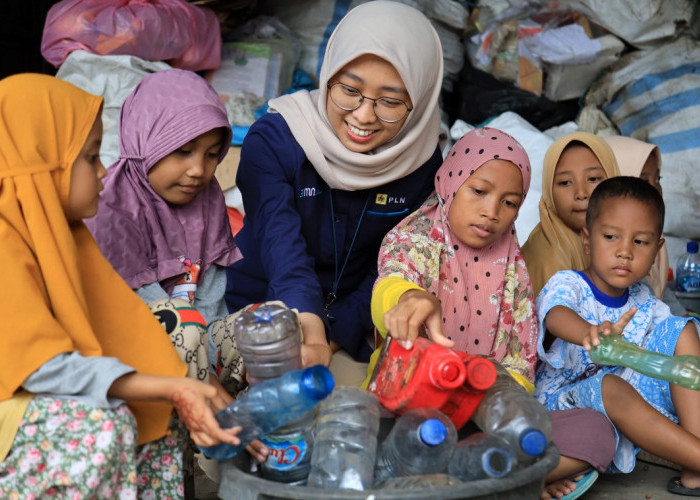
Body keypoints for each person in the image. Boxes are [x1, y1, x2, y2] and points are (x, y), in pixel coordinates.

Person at [0, 73, 243, 498]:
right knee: (107, 424)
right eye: (90, 157)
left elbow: (122, 331)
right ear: (43, 166)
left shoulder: (63, 232)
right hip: (16, 395)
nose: (102, 171)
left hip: (50, 385)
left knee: (157, 406)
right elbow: (44, 365)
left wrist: (178, 384)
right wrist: (174, 383)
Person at [367, 128, 615, 500]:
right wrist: (409, 298)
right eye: (479, 191)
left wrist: (496, 407)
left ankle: (464, 478)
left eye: (510, 202)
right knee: (370, 436)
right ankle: (502, 479)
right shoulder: (416, 236)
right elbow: (393, 280)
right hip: (411, 415)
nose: (491, 212)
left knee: (596, 431)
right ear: (452, 180)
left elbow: (520, 360)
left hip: (484, 425)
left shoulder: (513, 264)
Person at [224, 1, 445, 385]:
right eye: (349, 90)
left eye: (390, 102)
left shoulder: (421, 163)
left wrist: (336, 337)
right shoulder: (274, 141)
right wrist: (308, 328)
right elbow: (281, 247)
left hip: (353, 322)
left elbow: (391, 258)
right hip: (261, 308)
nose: (362, 115)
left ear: (421, 102)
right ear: (328, 76)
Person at [534, 176, 700, 496]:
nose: (624, 251)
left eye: (640, 242)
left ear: (657, 249)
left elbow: (672, 348)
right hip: (563, 406)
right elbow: (554, 314)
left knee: (682, 330)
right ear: (587, 239)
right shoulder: (570, 283)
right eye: (611, 236)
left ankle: (694, 468)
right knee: (610, 385)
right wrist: (587, 331)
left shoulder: (643, 297)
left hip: (624, 404)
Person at [522, 132, 620, 297]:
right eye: (565, 182)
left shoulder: (619, 240)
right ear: (549, 192)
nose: (581, 193)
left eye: (593, 179)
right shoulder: (549, 259)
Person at [604, 135, 670, 299]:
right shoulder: (601, 244)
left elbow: (662, 298)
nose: (656, 189)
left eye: (657, 179)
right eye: (644, 181)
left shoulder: (655, 237)